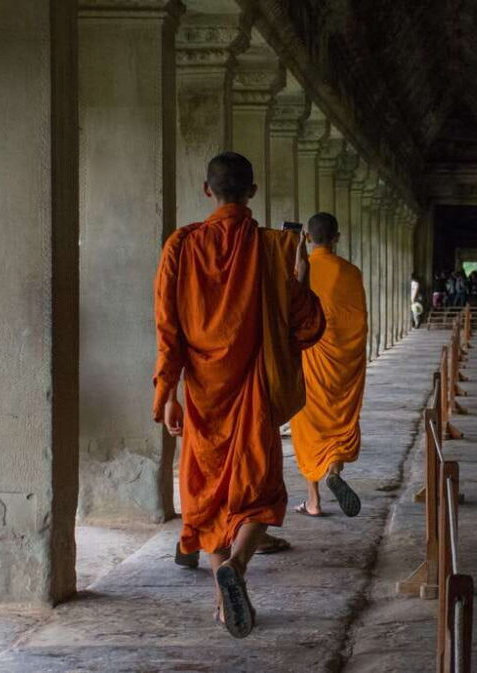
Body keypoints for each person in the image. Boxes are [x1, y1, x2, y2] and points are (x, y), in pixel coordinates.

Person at [152, 152, 325, 638]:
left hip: (203, 398)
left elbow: (168, 328)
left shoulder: (181, 246)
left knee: (205, 497)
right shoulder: (275, 247)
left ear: (207, 191)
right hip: (254, 393)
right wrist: (301, 281)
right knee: (261, 494)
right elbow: (306, 326)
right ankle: (239, 568)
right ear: (252, 191)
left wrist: (168, 393)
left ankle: (222, 597)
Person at [290, 212, 368, 518]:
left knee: (309, 427)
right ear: (337, 237)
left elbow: (293, 313)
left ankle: (313, 500)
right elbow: (358, 323)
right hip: (342, 362)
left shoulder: (299, 269)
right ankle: (333, 470)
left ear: (308, 237)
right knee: (338, 421)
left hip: (310, 359)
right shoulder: (351, 272)